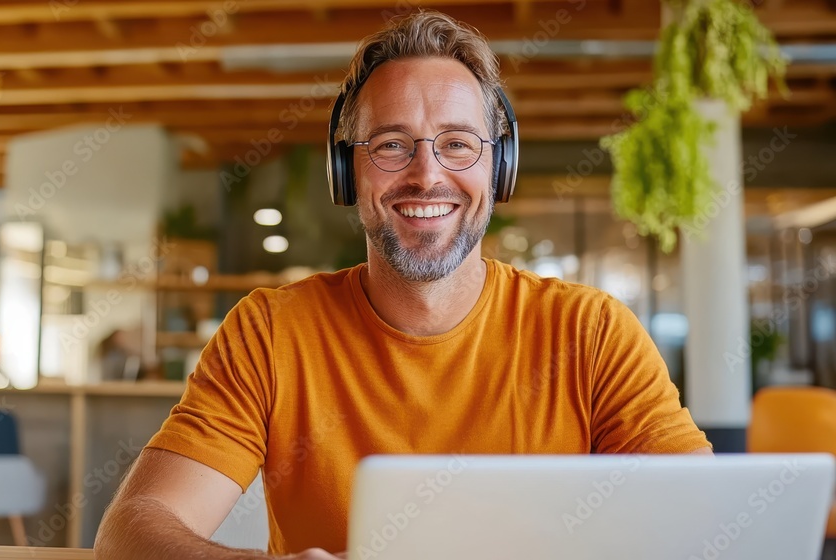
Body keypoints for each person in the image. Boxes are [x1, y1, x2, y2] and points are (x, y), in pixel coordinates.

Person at [94, 11, 711, 560]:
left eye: (458, 144)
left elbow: (704, 522)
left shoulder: (592, 333)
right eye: (392, 144)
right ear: (347, 170)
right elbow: (134, 529)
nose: (427, 174)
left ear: (499, 168)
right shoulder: (271, 332)